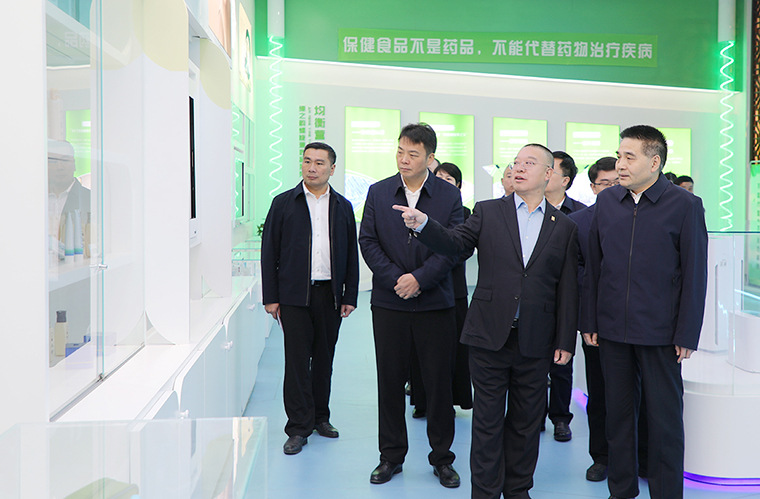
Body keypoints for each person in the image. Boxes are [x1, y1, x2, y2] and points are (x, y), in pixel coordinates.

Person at [394, 143, 578, 499]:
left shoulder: (564, 226)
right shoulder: (489, 211)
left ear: (548, 174)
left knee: (526, 422)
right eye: (516, 162)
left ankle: (518, 489)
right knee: (487, 422)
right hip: (489, 334)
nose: (519, 168)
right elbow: (454, 243)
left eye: (529, 163)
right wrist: (425, 224)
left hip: (536, 338)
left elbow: (568, 287)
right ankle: (486, 492)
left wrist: (565, 340)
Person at [584, 125, 708, 499]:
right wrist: (590, 320)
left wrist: (687, 333)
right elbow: (594, 266)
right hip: (612, 331)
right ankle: (621, 491)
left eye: (629, 157)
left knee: (664, 421)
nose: (620, 164)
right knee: (618, 419)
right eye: (619, 156)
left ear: (654, 162)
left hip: (661, 333)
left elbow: (695, 273)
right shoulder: (607, 202)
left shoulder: (685, 205)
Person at [360, 123, 462, 488]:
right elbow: (368, 241)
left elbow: (453, 246)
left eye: (413, 154)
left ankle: (442, 459)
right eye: (400, 151)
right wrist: (396, 279)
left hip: (435, 303)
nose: (404, 159)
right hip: (390, 303)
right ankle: (390, 456)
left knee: (438, 384)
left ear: (430, 158)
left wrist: (420, 278)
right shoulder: (378, 191)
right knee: (389, 381)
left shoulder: (449, 196)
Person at [261, 142, 359, 455]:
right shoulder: (283, 203)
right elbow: (269, 253)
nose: (312, 168)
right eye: (307, 161)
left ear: (332, 168)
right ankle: (298, 427)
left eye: (319, 163)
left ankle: (320, 417)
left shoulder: (343, 207)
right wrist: (271, 297)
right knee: (297, 361)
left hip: (329, 295)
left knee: (324, 359)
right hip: (293, 296)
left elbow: (351, 255)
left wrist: (350, 294)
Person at [409, 162, 474, 419]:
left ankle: (450, 400)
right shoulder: (420, 210)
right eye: (439, 177)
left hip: (451, 289)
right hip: (421, 285)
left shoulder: (465, 212)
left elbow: (463, 249)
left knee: (451, 350)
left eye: (449, 179)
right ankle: (421, 400)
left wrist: (438, 264)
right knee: (420, 350)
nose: (443, 182)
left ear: (458, 185)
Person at [568, 157, 618, 481]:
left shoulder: (640, 216)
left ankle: (637, 455)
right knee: (598, 393)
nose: (612, 189)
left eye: (617, 182)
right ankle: (601, 457)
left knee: (635, 394)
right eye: (605, 184)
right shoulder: (578, 222)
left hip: (636, 323)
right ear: (593, 187)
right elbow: (575, 275)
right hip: (596, 323)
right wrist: (587, 323)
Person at [542, 150, 587, 441]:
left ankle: (560, 417)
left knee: (562, 361)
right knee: (532, 362)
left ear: (565, 180)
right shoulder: (527, 209)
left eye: (551, 171)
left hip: (566, 298)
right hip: (535, 297)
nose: (544, 175)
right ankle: (533, 416)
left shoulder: (580, 214)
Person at [48, 139, 90, 244]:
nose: (60, 167)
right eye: (53, 161)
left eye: (65, 160)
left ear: (74, 164)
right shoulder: (35, 199)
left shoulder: (89, 200)